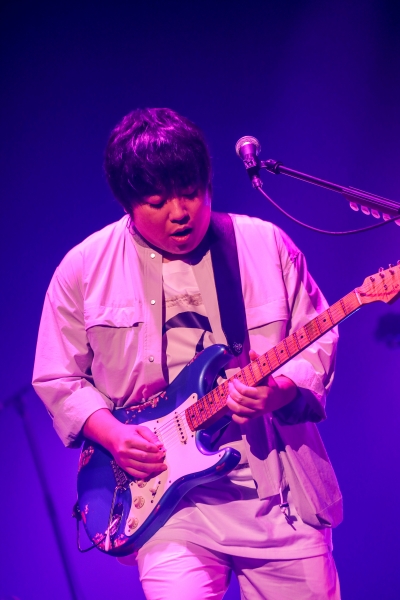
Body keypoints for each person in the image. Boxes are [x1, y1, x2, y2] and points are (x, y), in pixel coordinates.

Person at [33, 108, 342, 599]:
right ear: (128, 203)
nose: (180, 212)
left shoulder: (265, 245)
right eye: (157, 202)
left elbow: (316, 337)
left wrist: (280, 391)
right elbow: (58, 377)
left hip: (279, 492)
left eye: (192, 192)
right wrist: (113, 434)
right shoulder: (84, 269)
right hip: (167, 506)